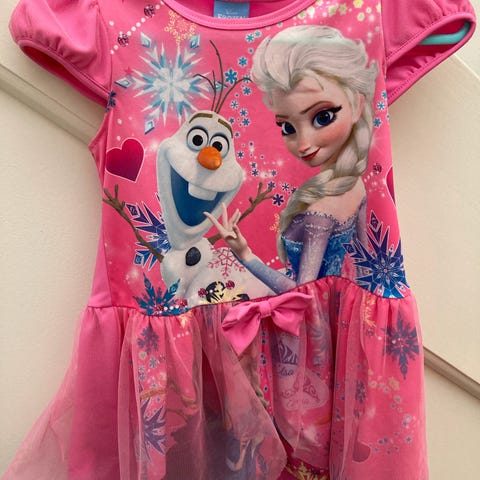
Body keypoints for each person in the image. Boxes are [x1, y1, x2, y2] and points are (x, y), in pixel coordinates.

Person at [206, 25, 378, 294]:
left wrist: (246, 255)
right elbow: (366, 267)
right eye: (288, 127)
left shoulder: (320, 211)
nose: (304, 143)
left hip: (306, 318)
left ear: (357, 105)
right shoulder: (355, 185)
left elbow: (302, 293)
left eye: (323, 117)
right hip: (344, 307)